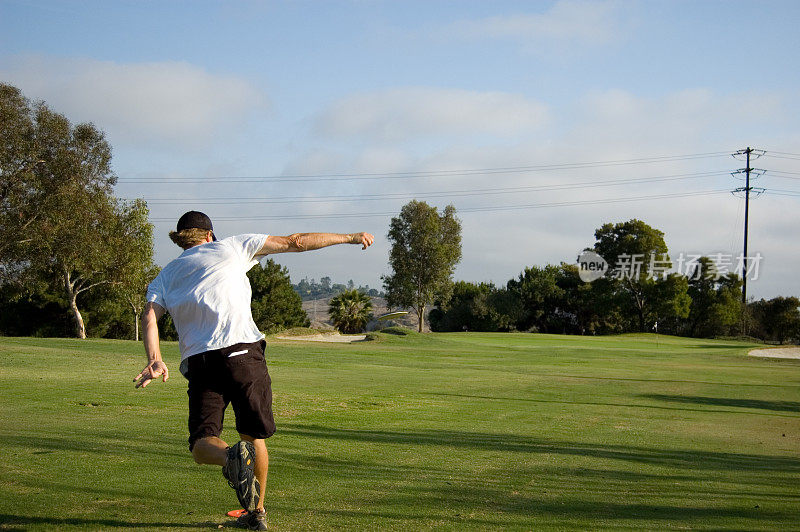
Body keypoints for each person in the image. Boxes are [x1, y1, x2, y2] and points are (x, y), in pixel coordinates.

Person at [134, 211, 374, 530]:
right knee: (254, 437)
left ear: (181, 240)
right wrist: (349, 237)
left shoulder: (166, 275)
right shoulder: (232, 247)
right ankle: (256, 512)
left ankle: (229, 457)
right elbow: (296, 242)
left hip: (201, 362)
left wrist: (155, 358)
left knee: (202, 443)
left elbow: (150, 317)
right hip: (244, 353)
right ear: (210, 235)